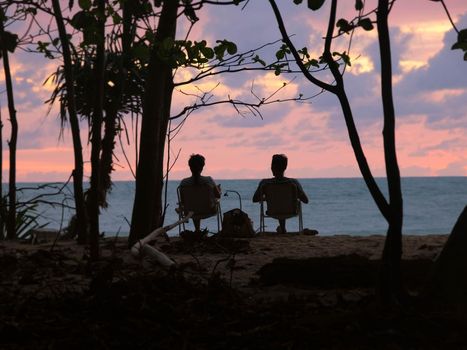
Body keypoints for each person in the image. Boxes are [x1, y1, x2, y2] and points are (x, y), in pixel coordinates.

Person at [253, 154, 309, 233]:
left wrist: (267, 198)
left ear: (272, 167)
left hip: (272, 212)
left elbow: (255, 199)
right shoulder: (293, 183)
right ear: (285, 168)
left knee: (279, 202)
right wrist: (294, 196)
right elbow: (306, 200)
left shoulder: (265, 183)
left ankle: (282, 229)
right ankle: (282, 229)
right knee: (282, 201)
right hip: (290, 211)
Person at [180, 154, 221, 231]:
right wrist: (219, 190)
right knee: (199, 203)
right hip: (209, 210)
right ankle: (199, 231)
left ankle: (197, 230)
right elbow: (218, 196)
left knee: (194, 204)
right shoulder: (208, 180)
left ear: (190, 167)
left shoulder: (184, 183)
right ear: (202, 167)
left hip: (189, 212)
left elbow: (183, 201)